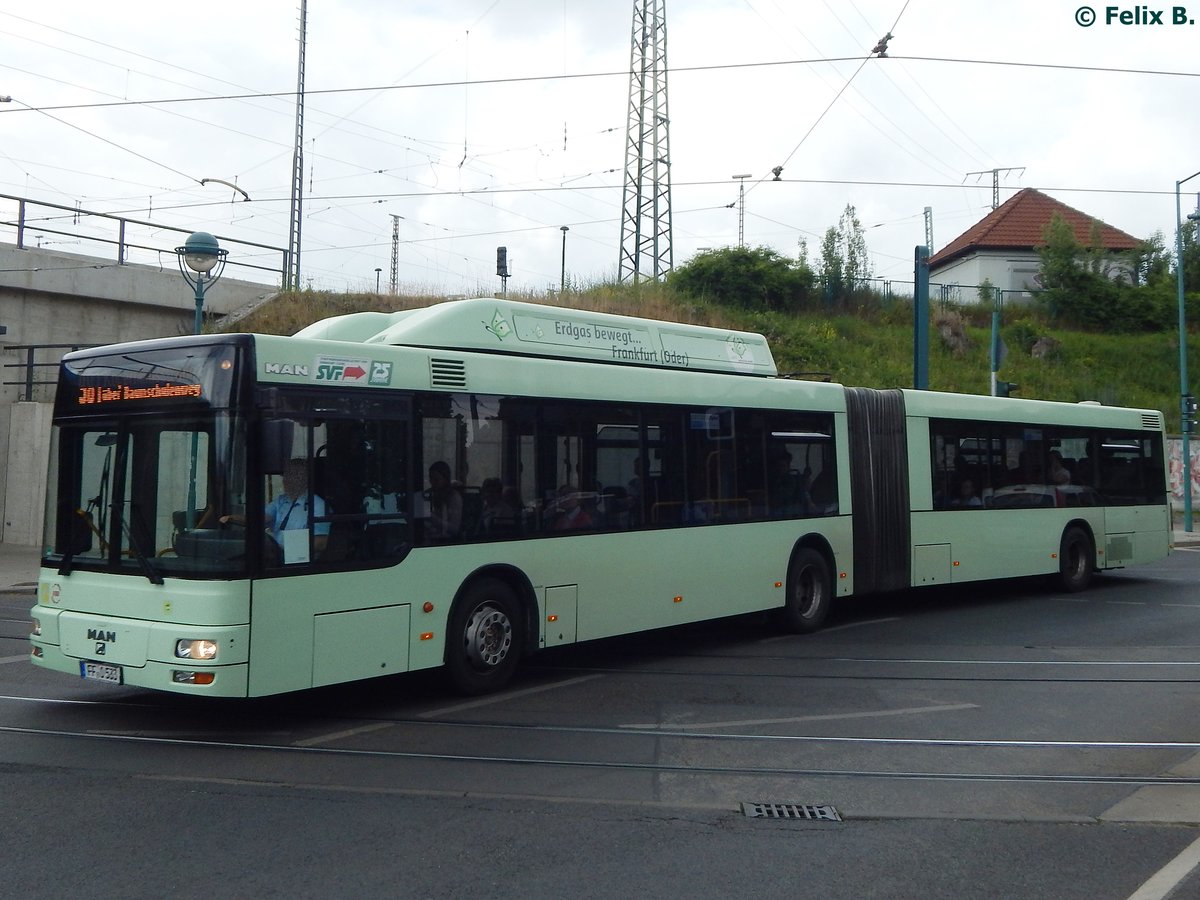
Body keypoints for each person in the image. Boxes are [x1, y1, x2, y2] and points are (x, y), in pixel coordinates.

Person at [221, 458, 329, 560]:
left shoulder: (318, 506)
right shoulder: (281, 501)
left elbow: (320, 543)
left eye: (294, 476)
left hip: (299, 563)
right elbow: (261, 520)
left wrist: (284, 549)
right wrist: (232, 518)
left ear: (305, 479)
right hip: (276, 557)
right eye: (286, 475)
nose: (286, 480)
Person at [426, 460, 463, 541]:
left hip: (446, 542)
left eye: (436, 479)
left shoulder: (454, 497)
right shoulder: (430, 494)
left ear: (445, 479)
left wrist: (434, 519)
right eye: (431, 479)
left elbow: (454, 529)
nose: (432, 482)